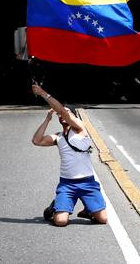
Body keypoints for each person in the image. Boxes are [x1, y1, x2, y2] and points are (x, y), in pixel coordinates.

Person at [31, 83, 108, 227]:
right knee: (60, 221)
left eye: (66, 113)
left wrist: (43, 93)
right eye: (60, 115)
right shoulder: (58, 137)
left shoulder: (81, 130)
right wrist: (47, 120)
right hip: (67, 184)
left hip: (88, 183)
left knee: (102, 219)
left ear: (74, 116)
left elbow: (62, 110)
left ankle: (88, 210)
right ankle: (56, 206)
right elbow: (37, 140)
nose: (62, 115)